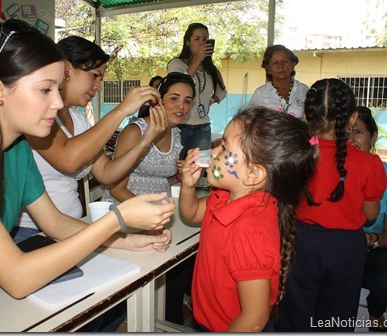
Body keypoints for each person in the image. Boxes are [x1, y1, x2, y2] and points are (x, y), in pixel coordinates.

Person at [0, 18, 174, 311]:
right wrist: (117, 220)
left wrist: (125, 241)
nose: (57, 102)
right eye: (45, 90)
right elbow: (17, 278)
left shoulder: (15, 149)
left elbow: (54, 222)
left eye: (57, 88)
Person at [177, 106, 318, 332]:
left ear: (253, 174)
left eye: (224, 147)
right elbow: (191, 213)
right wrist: (187, 186)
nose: (212, 152)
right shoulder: (225, 197)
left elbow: (254, 318)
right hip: (210, 322)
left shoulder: (250, 232)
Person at [13, 35, 165, 243]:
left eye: (101, 79)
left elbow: (106, 173)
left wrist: (146, 140)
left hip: (74, 227)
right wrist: (121, 110)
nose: (98, 87)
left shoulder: (78, 120)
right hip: (30, 234)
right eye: (94, 76)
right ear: (66, 69)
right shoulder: (36, 118)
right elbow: (68, 159)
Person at [276, 79, 387, 332]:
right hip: (346, 249)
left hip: (298, 242)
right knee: (337, 316)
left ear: (306, 114)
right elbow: (370, 215)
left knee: (294, 312)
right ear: (352, 118)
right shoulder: (370, 164)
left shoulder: (295, 154)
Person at [349, 106, 387, 331]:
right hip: (336, 250)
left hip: (374, 250)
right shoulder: (330, 170)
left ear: (373, 137)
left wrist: (373, 239)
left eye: (359, 132)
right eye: (345, 132)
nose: (351, 139)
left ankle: (375, 310)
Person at [101, 72, 195, 204]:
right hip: (125, 210)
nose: (181, 106)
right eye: (174, 98)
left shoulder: (176, 134)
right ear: (160, 99)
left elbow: (160, 181)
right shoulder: (135, 132)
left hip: (157, 207)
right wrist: (149, 211)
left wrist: (183, 173)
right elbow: (116, 189)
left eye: (187, 101)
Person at [167, 22, 227, 160]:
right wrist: (198, 59)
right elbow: (179, 83)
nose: (202, 43)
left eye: (205, 39)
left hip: (202, 128)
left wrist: (211, 100)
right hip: (179, 126)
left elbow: (222, 92)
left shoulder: (211, 69)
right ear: (187, 42)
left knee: (199, 168)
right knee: (174, 167)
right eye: (197, 39)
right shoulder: (177, 63)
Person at [247, 44, 308, 119]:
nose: (280, 66)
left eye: (285, 61)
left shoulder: (303, 90)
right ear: (268, 69)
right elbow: (250, 121)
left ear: (293, 65)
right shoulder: (260, 93)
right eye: (275, 63)